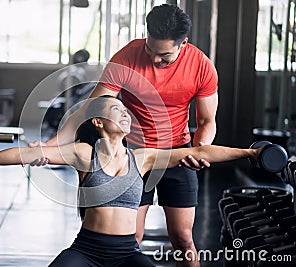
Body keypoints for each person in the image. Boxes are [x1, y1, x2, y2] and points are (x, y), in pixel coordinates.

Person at [0, 96, 260, 267]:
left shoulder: (143, 158)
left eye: (127, 113)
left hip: (128, 253)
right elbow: (23, 154)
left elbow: (199, 150)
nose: (126, 115)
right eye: (118, 110)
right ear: (98, 122)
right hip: (86, 250)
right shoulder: (83, 153)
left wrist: (250, 152)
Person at [31, 4, 218, 266]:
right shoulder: (127, 57)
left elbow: (207, 121)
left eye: (163, 56)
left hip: (176, 154)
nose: (154, 60)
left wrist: (200, 150)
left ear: (183, 43)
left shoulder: (202, 67)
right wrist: (50, 145)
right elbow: (90, 109)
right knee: (132, 238)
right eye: (150, 50)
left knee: (183, 238)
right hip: (132, 158)